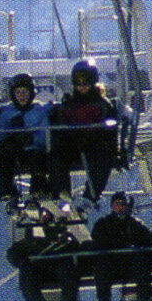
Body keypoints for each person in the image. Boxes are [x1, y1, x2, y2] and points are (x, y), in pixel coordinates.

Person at [49, 59, 118, 204]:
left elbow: (109, 128)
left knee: (102, 158)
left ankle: (90, 196)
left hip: (95, 144)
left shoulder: (102, 104)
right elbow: (61, 124)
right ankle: (62, 193)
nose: (82, 87)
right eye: (78, 83)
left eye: (85, 83)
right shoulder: (69, 103)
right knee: (57, 155)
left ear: (93, 83)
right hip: (74, 144)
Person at [6, 210, 84, 301]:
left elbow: (76, 247)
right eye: (43, 215)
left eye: (47, 215)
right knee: (26, 279)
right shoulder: (30, 242)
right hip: (38, 271)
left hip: (58, 268)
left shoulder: (61, 234)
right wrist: (23, 262)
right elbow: (13, 254)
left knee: (68, 273)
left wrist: (67, 243)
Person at [90, 191, 152, 301]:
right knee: (102, 267)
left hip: (131, 264)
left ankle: (145, 300)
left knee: (142, 262)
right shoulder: (103, 224)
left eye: (123, 204)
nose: (121, 207)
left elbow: (148, 239)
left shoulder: (134, 223)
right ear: (112, 206)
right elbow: (97, 241)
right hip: (112, 264)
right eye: (118, 204)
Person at [0, 73, 51, 203]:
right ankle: (7, 190)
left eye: (25, 92)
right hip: (13, 150)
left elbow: (45, 133)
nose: (22, 96)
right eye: (18, 93)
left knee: (37, 158)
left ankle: (38, 189)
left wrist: (31, 138)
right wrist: (7, 140)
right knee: (3, 159)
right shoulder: (7, 113)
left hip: (33, 149)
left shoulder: (38, 111)